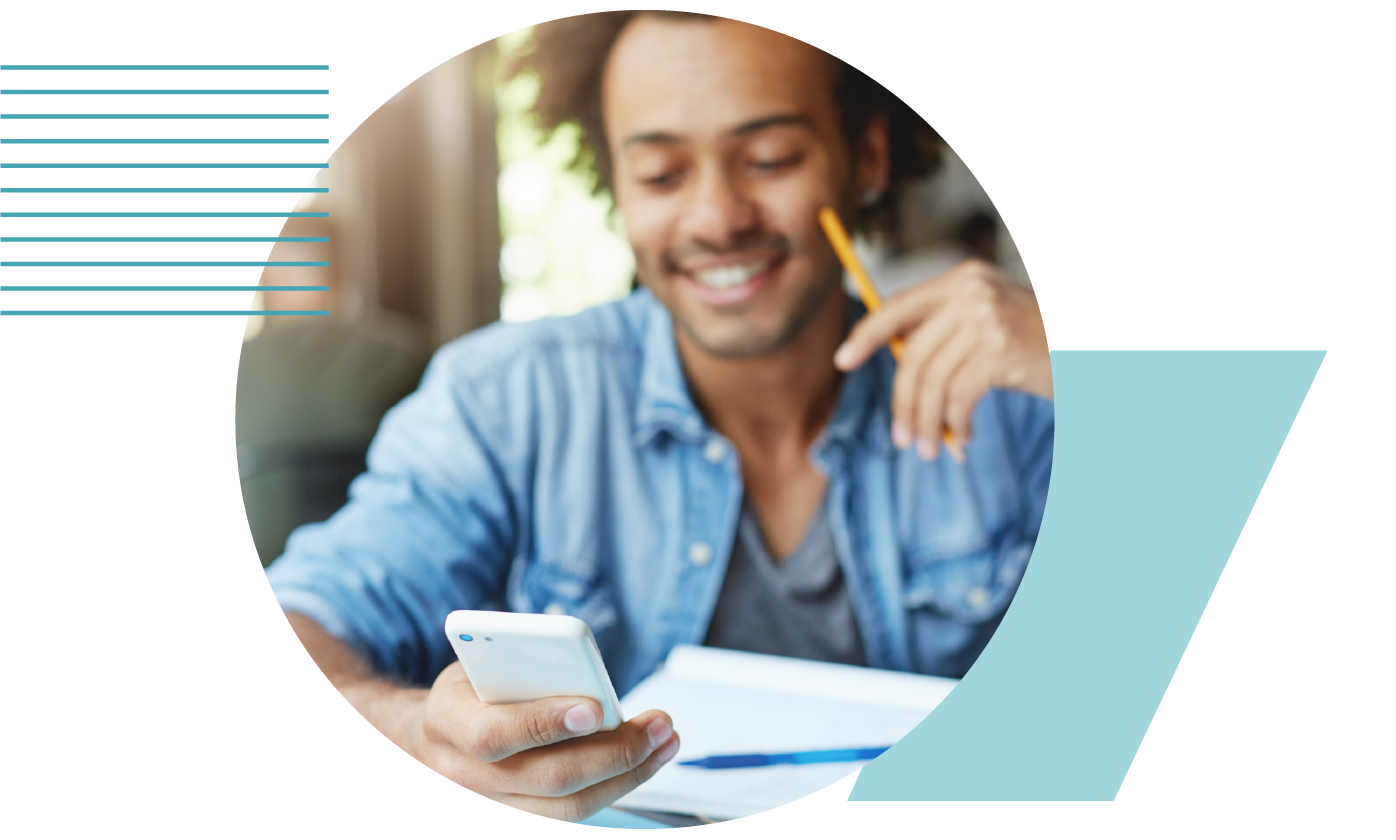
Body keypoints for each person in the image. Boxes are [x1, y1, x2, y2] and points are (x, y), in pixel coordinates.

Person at [265, 12, 1053, 822]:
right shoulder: (504, 402)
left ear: (869, 159)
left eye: (769, 159)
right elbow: (292, 635)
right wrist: (413, 736)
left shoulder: (1019, 401)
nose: (717, 219)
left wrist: (1105, 381)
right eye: (662, 175)